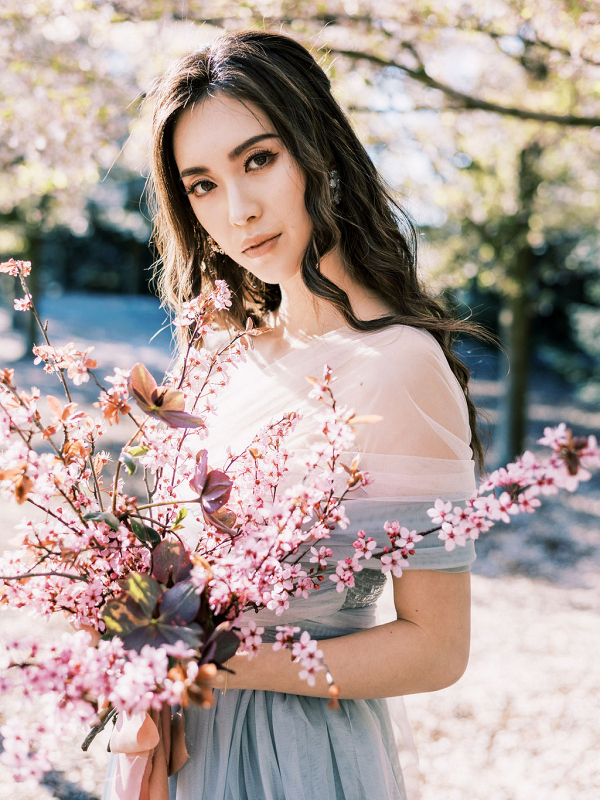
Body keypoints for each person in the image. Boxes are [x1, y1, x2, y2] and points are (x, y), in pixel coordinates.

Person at [105, 29, 484, 800]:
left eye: (258, 160)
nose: (239, 210)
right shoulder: (218, 349)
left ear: (320, 150)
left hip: (294, 759)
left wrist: (225, 657)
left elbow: (439, 649)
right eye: (202, 184)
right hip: (182, 747)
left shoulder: (399, 366)